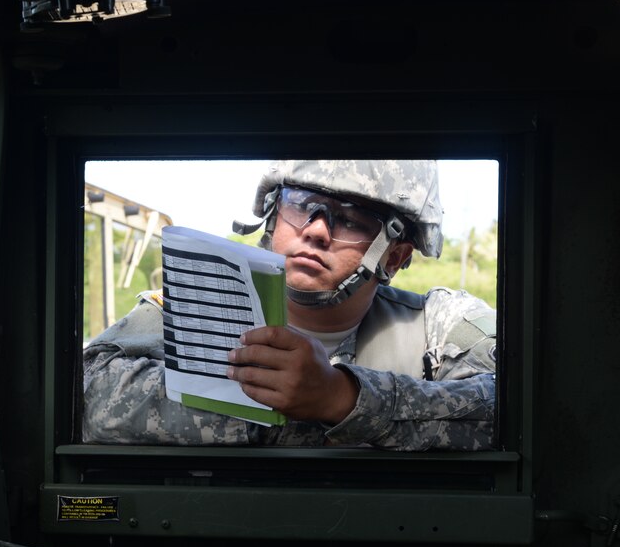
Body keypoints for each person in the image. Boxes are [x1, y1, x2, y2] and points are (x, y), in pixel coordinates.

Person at [83, 159, 497, 451]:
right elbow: (85, 394)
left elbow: (512, 409)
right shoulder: (187, 307)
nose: (316, 230)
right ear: (271, 217)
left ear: (395, 256)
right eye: (300, 204)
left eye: (351, 219)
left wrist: (342, 398)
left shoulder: (439, 327)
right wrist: (274, 408)